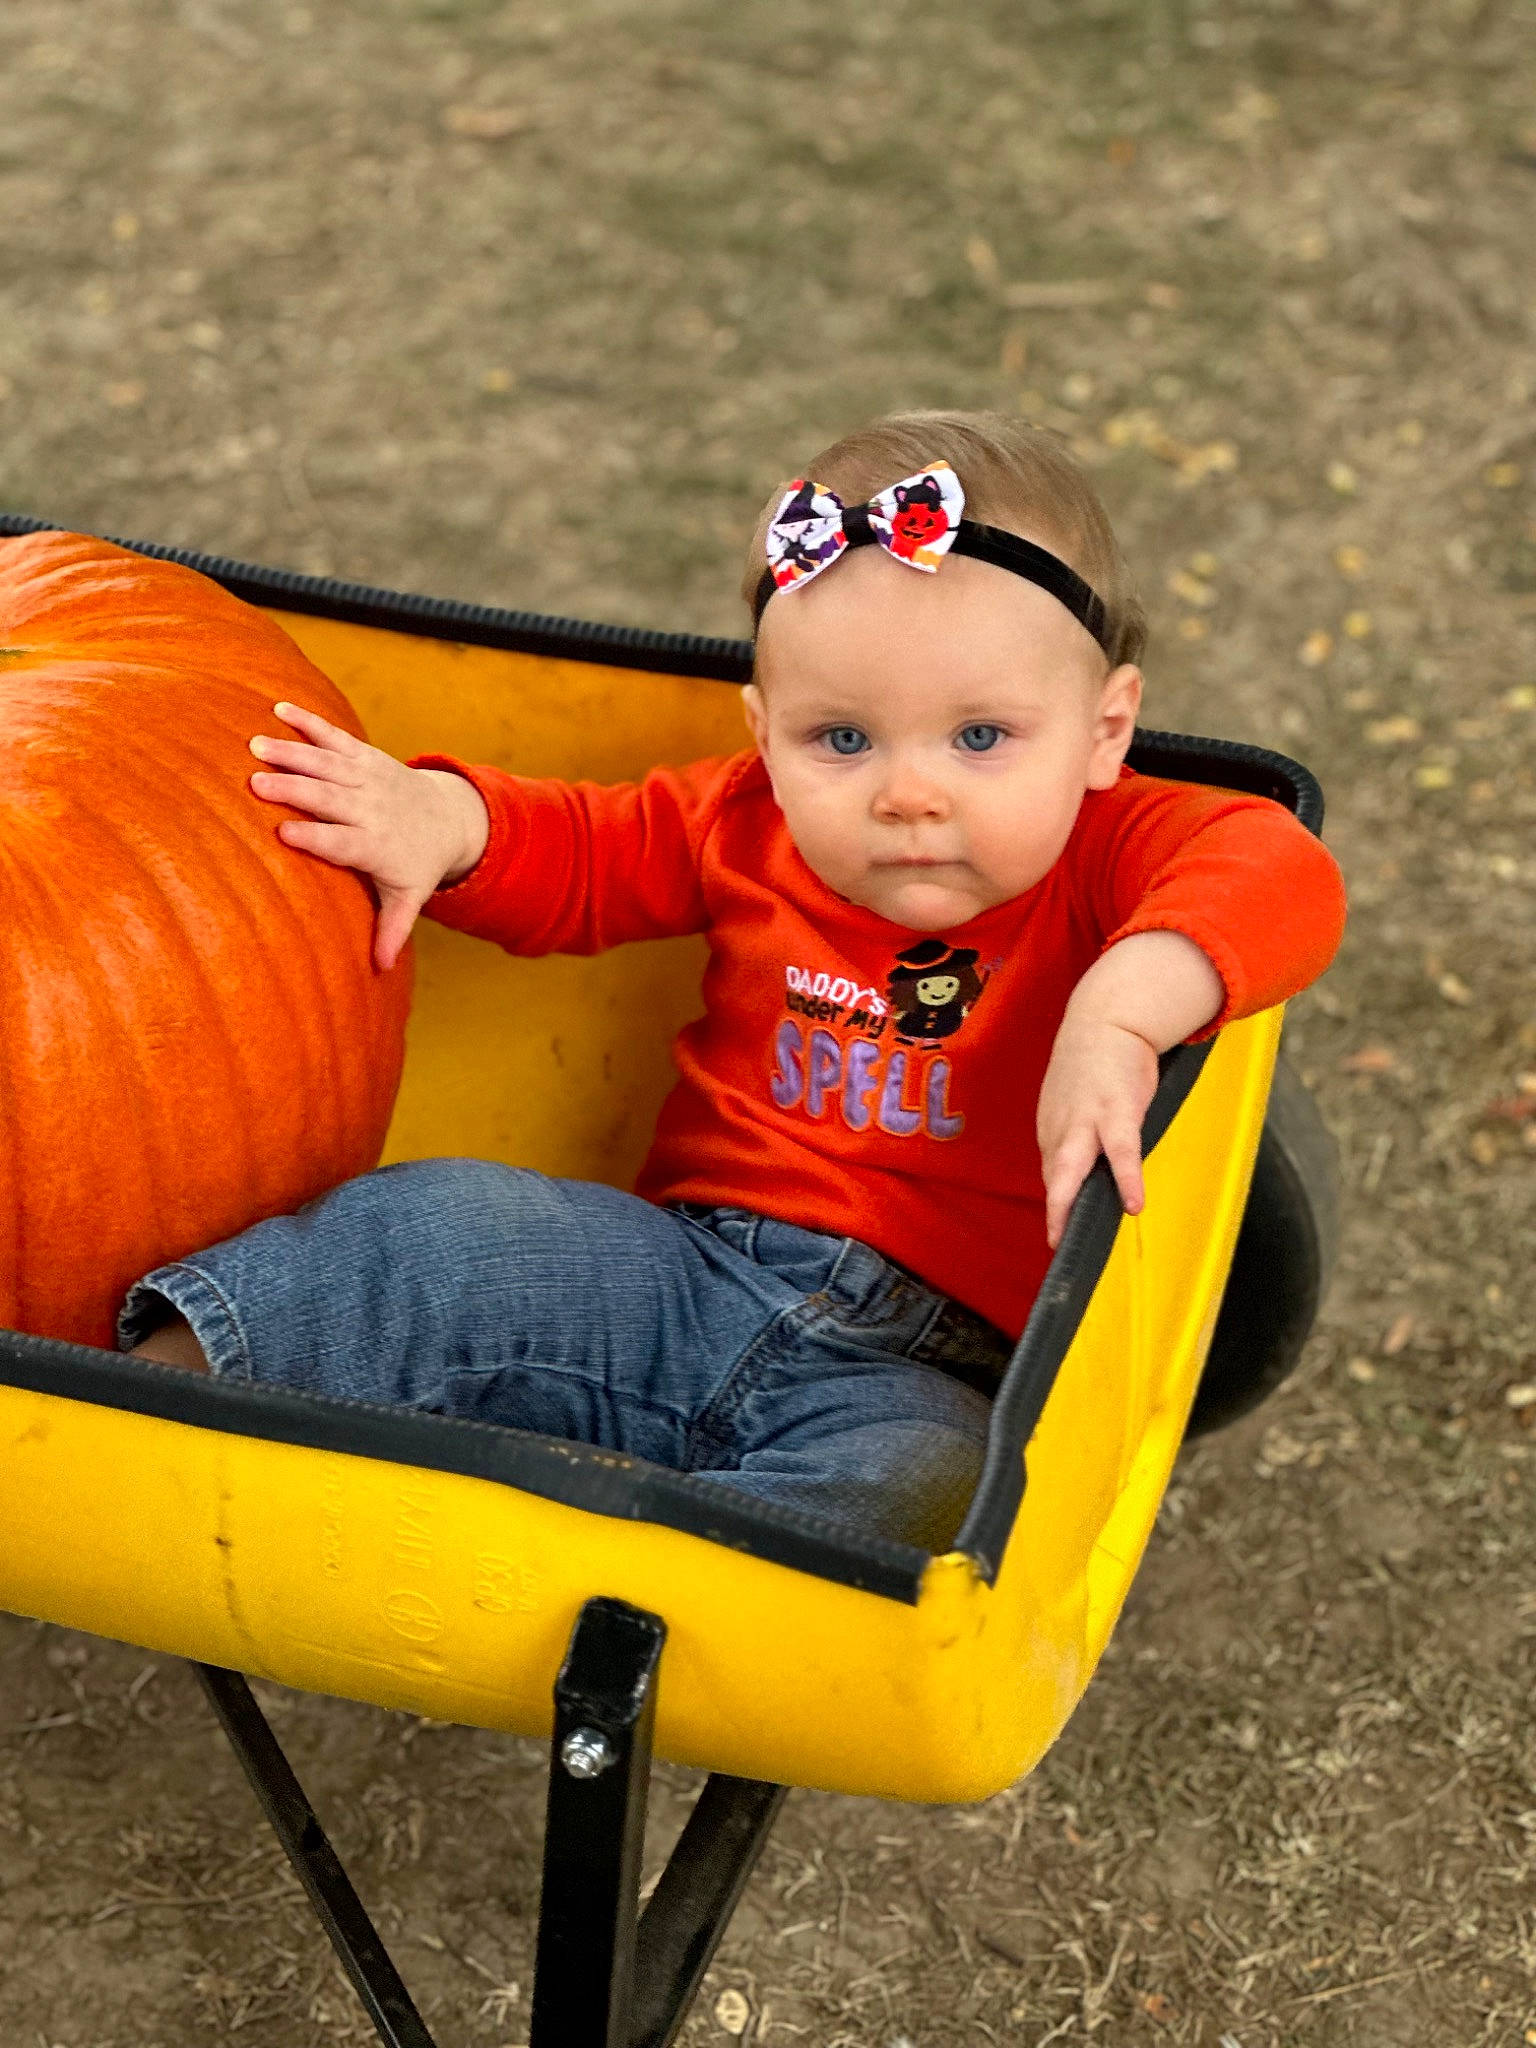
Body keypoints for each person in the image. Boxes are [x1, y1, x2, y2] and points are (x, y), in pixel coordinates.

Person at [117, 410, 1346, 1549]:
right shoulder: (744, 818)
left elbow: (1277, 868)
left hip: (926, 1371)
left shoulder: (1118, 849)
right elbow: (584, 852)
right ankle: (125, 1411)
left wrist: (1126, 1002)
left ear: (1105, 732)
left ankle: (640, 1585)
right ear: (764, 731)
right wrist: (444, 818)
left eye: (981, 737)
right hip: (675, 1275)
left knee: (931, 1498)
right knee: (429, 1230)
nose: (907, 792)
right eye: (842, 739)